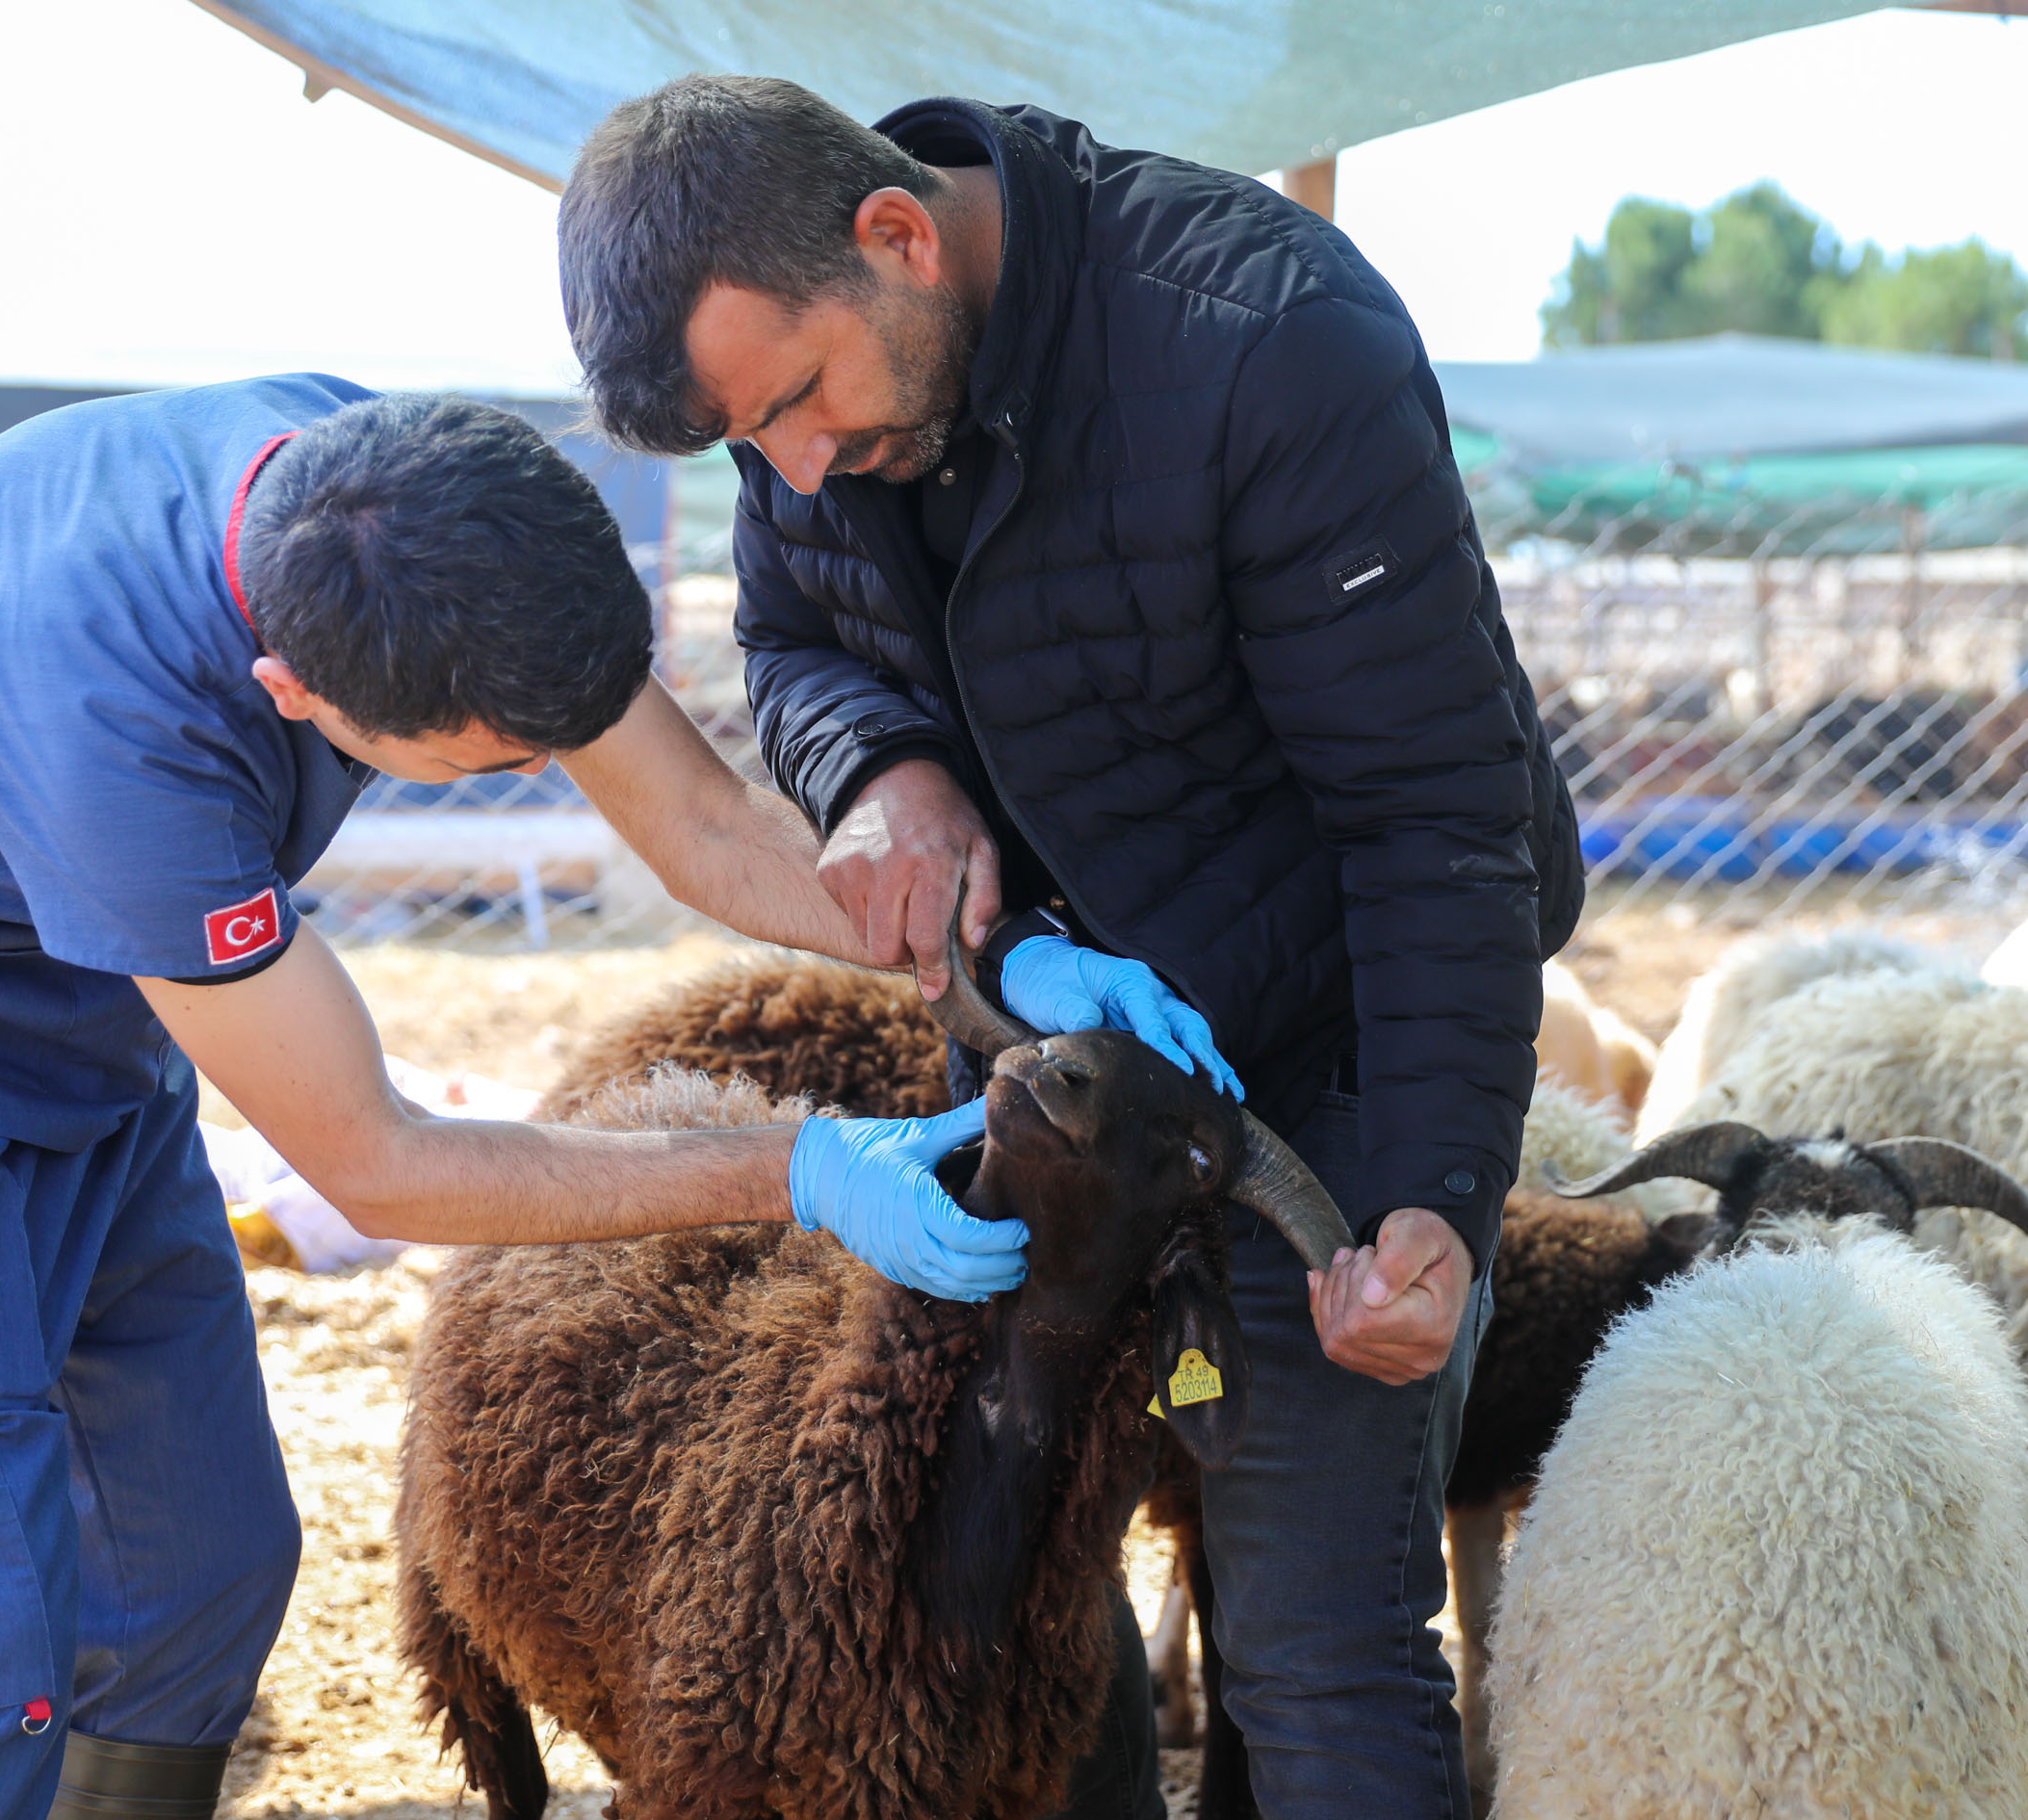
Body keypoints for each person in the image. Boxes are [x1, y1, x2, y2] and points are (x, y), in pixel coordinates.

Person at [0, 377, 1230, 1820]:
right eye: (493, 765)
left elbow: (694, 822)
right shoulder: (118, 734)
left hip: (92, 1030)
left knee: (199, 1568)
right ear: (290, 688)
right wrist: (802, 1165)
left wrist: (992, 953)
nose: (535, 772)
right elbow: (384, 1162)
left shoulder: (417, 510)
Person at [558, 78, 1583, 1819]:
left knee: (1315, 1641)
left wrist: (1422, 1198)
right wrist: (884, 778)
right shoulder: (808, 411)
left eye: (800, 400)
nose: (792, 465)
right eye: (753, 441)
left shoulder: (1269, 346)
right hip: (1047, 1058)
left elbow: (1439, 820)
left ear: (898, 235)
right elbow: (799, 645)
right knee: (1001, 1570)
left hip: (1310, 1074)